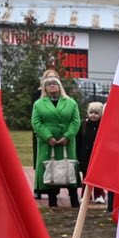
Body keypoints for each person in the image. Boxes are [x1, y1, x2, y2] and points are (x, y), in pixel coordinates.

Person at [31, 74, 82, 207]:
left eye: (55, 83)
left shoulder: (71, 102)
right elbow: (36, 122)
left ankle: (74, 199)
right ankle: (52, 201)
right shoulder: (38, 104)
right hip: (47, 142)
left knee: (69, 168)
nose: (52, 86)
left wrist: (68, 135)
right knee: (49, 169)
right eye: (49, 84)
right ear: (45, 89)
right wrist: (48, 137)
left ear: (60, 87)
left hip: (67, 142)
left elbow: (76, 121)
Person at [75, 100, 105, 187]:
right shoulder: (84, 125)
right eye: (91, 112)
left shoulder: (102, 126)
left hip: (98, 155)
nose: (93, 115)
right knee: (85, 175)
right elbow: (78, 140)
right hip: (85, 155)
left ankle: (98, 194)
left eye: (96, 113)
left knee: (98, 175)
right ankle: (85, 194)